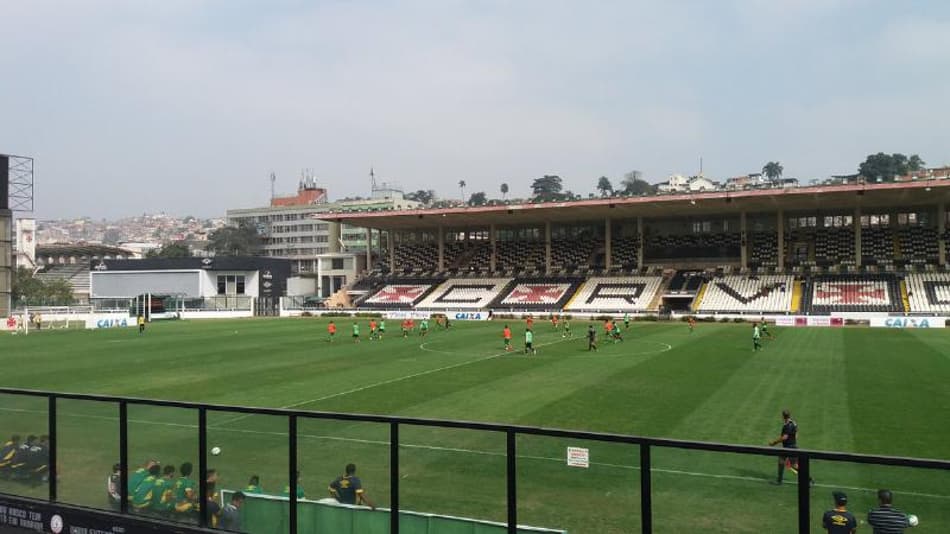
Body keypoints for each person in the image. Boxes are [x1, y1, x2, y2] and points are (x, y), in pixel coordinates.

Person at [768, 409, 813, 486]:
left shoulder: (787, 426)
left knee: (794, 465)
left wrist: (774, 443)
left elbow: (784, 437)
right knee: (781, 461)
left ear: (783, 416)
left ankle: (809, 479)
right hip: (791, 446)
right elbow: (796, 433)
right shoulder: (793, 423)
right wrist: (793, 439)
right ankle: (779, 480)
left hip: (789, 448)